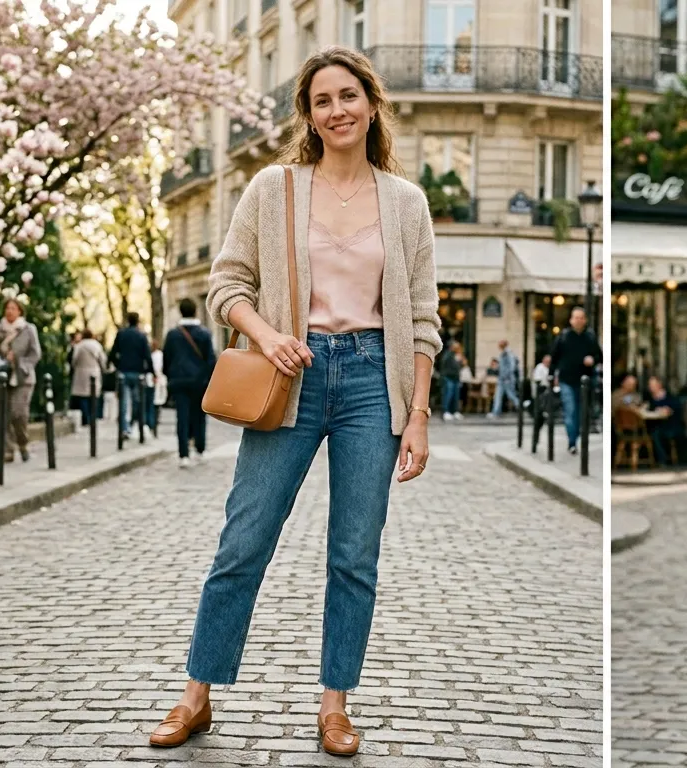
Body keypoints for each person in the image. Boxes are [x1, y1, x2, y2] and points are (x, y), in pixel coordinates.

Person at [150, 46, 441, 757]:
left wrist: (418, 416)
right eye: (322, 101)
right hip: (292, 376)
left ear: (371, 104)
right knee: (244, 539)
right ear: (309, 116)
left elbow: (423, 321)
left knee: (354, 554)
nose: (337, 110)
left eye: (348, 96)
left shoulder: (405, 202)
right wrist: (268, 334)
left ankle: (335, 705)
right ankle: (196, 695)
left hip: (372, 382)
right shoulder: (274, 188)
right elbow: (227, 286)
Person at [0, 298, 42, 463]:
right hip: (1, 375)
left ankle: (23, 443)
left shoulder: (28, 329)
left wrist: (18, 360)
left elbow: (35, 353)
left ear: (20, 311)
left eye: (13, 308)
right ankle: (7, 451)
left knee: (19, 413)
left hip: (22, 377)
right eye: (7, 308)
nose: (9, 311)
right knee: (3, 415)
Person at [161, 299, 216, 468]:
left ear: (180, 311)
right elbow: (211, 360)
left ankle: (183, 454)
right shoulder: (204, 334)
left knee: (182, 418)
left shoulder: (172, 335)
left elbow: (166, 358)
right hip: (200, 382)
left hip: (179, 381)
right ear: (195, 311)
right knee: (200, 417)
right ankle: (200, 450)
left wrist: (170, 375)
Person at [549, 306, 602, 455]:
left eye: (581, 318)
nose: (578, 320)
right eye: (576, 318)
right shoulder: (564, 337)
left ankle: (574, 438)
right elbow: (554, 357)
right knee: (570, 410)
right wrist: (551, 375)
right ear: (571, 320)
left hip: (585, 381)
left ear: (585, 320)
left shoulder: (590, 337)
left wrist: (592, 359)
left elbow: (599, 356)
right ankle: (572, 442)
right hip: (566, 379)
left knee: (580, 413)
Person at [108, 311, 154, 440]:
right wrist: (150, 371)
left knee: (123, 403)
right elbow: (147, 355)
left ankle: (125, 428)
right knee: (137, 402)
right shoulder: (141, 336)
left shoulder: (121, 334)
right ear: (138, 321)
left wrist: (118, 365)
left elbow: (113, 353)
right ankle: (132, 424)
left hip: (123, 372)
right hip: (138, 372)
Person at [70, 330, 107, 429]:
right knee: (93, 396)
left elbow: (74, 360)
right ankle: (93, 417)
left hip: (81, 373)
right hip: (94, 372)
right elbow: (102, 360)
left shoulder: (79, 346)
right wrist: (103, 369)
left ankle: (86, 418)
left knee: (83, 396)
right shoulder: (97, 345)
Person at [644, 375, 684, 465]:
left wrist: (668, 410)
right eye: (649, 385)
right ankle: (661, 458)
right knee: (654, 432)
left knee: (656, 433)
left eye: (652, 385)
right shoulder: (649, 398)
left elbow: (675, 410)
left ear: (659, 385)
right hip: (654, 424)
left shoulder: (670, 397)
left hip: (670, 425)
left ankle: (662, 459)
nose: (650, 387)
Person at [490, 340, 521, 417]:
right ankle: (496, 412)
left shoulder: (508, 353)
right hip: (502, 379)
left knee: (511, 395)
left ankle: (521, 407)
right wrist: (497, 369)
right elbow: (503, 366)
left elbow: (512, 366)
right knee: (498, 395)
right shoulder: (503, 353)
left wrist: (507, 376)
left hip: (507, 379)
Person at [438, 341, 464, 420]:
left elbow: (460, 365)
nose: (458, 348)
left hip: (455, 378)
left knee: (456, 396)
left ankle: (455, 411)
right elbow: (448, 365)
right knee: (448, 395)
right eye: (456, 346)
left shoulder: (456, 355)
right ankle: (445, 412)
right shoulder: (447, 354)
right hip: (448, 378)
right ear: (452, 347)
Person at [148, 338, 166, 434]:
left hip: (156, 379)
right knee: (156, 401)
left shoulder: (157, 355)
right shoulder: (157, 355)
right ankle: (154, 421)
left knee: (156, 400)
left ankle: (154, 421)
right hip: (155, 379)